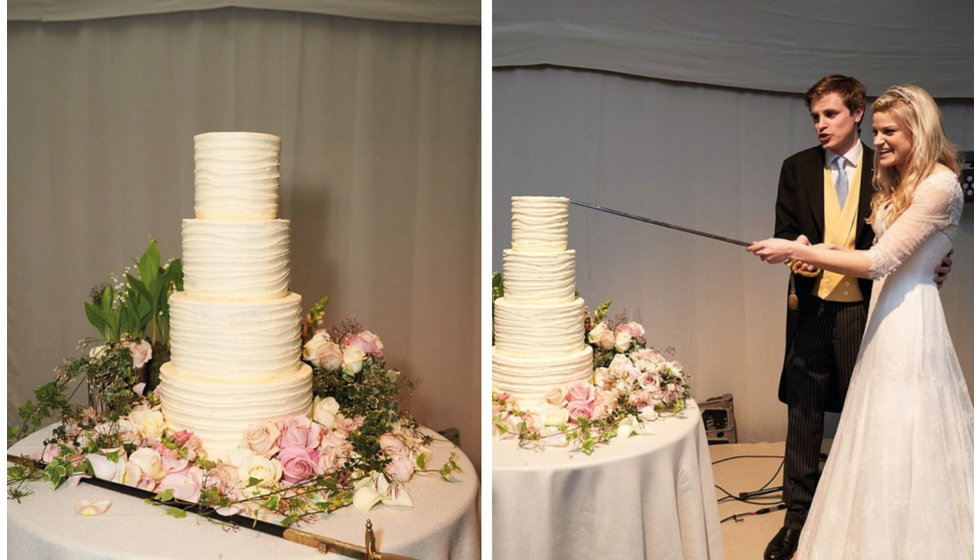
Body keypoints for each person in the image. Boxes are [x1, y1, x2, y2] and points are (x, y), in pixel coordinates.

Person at [749, 84, 972, 558]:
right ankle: (799, 517)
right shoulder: (801, 167)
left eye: (830, 113)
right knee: (820, 413)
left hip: (884, 311)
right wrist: (797, 250)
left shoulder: (901, 172)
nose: (821, 124)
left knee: (896, 421)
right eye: (814, 116)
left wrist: (799, 250)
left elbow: (879, 259)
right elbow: (842, 242)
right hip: (826, 307)